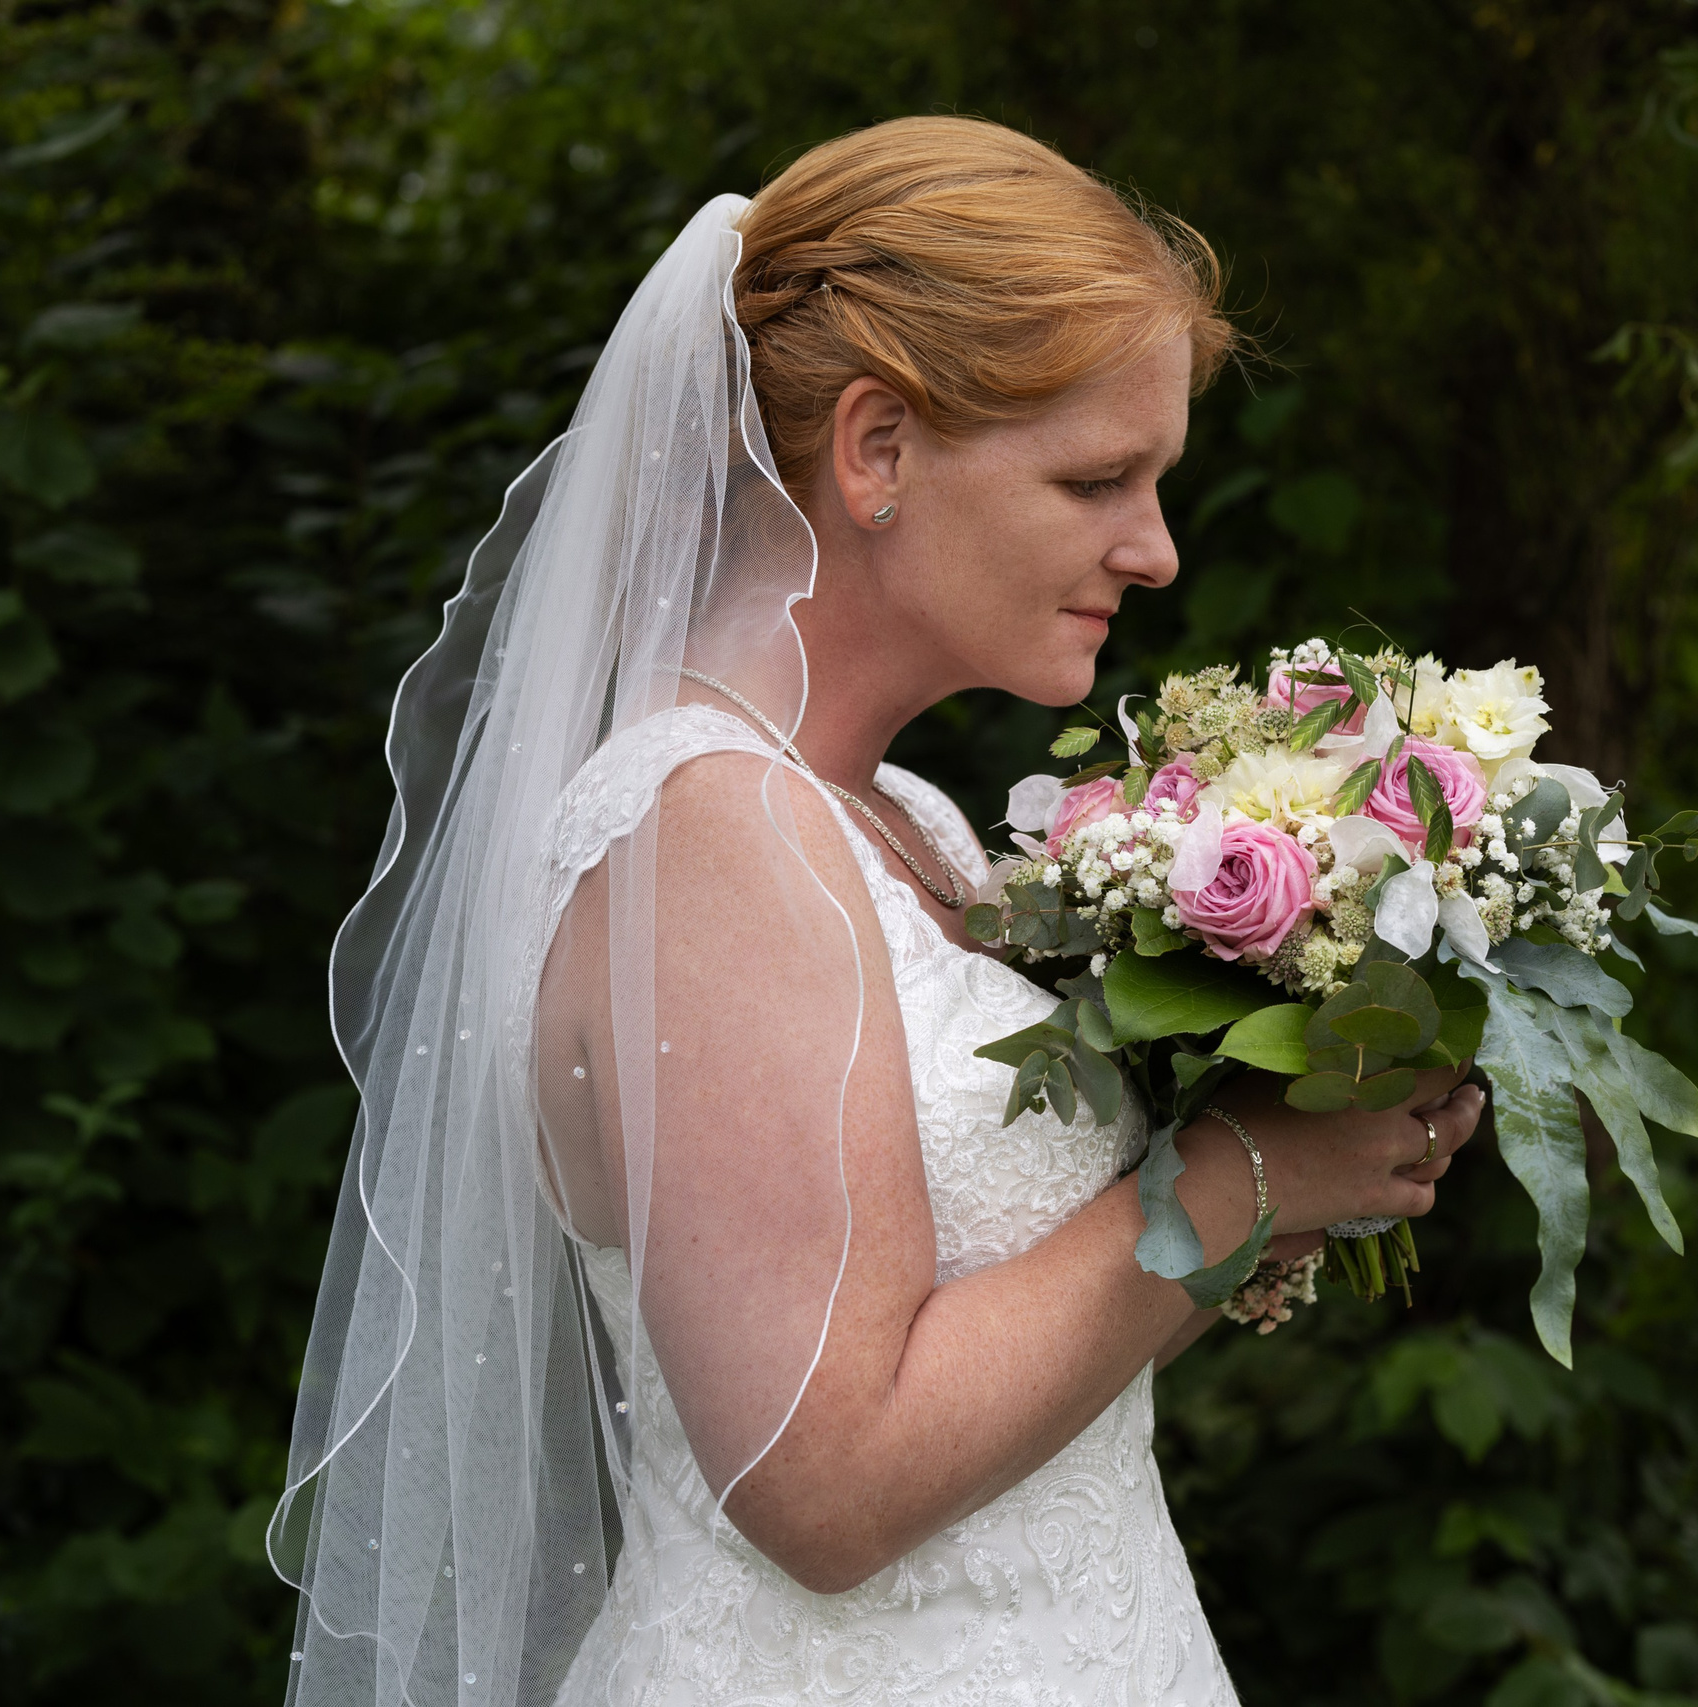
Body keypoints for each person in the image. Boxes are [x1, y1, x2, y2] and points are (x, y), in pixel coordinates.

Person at [275, 115, 1484, 1707]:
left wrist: (1301, 1139)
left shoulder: (901, 826)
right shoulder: (710, 837)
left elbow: (1033, 1356)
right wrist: (1245, 1175)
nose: (1158, 548)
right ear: (878, 452)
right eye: (1098, 477)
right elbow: (826, 1486)